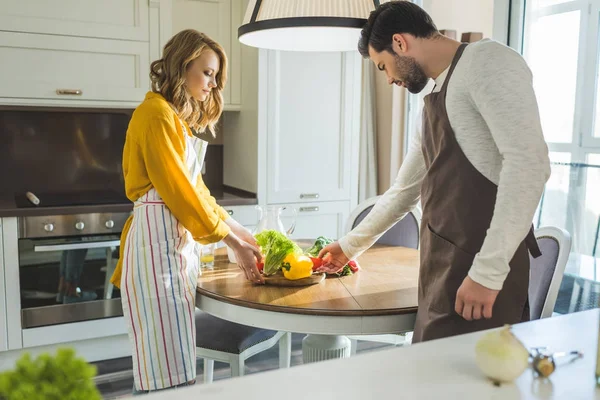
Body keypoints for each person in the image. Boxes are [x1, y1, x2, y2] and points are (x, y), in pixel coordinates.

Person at [318, 2, 550, 343]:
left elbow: (529, 165)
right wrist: (349, 246)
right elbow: (403, 192)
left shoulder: (488, 62)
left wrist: (488, 272)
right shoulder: (432, 100)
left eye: (383, 66)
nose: (389, 79)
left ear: (400, 43)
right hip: (441, 271)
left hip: (481, 270)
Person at [109, 29, 264, 394]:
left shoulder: (173, 119)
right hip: (155, 252)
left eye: (215, 76)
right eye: (207, 72)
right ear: (182, 65)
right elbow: (181, 195)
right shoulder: (155, 114)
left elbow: (198, 193)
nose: (212, 84)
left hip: (169, 246)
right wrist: (234, 243)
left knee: (174, 364)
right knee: (164, 373)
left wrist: (240, 233)